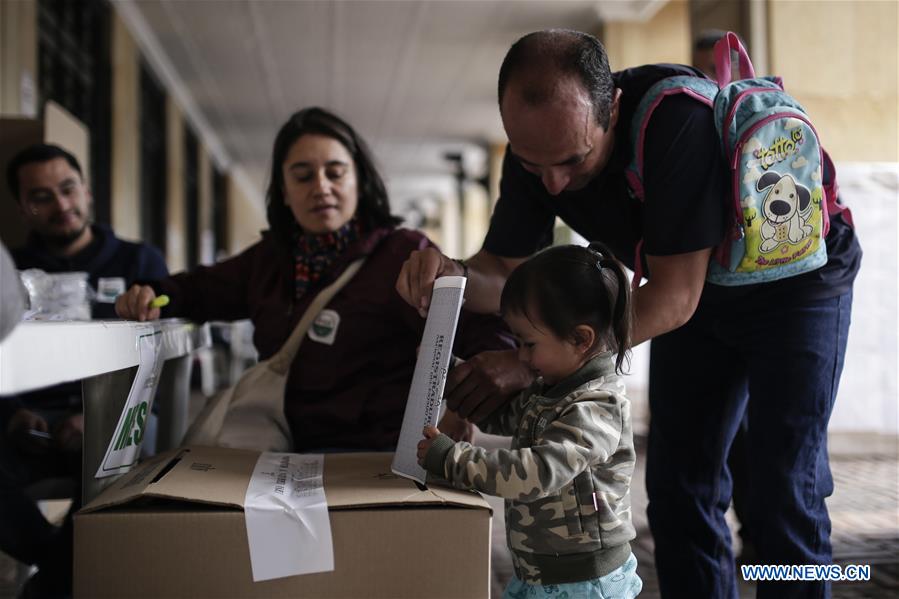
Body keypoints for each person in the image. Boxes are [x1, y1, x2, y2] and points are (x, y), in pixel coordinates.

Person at [398, 30, 861, 598]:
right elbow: (503, 270)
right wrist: (451, 273)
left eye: (573, 160)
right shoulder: (537, 153)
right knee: (679, 490)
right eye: (533, 164)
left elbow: (673, 298)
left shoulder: (677, 124)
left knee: (783, 486)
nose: (554, 183)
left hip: (795, 290)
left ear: (612, 108)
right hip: (695, 294)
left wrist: (530, 364)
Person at [116, 107, 513, 452]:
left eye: (335, 173)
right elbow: (197, 291)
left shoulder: (402, 254)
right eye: (303, 176)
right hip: (279, 443)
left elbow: (477, 327)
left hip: (371, 455)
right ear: (284, 192)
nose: (321, 187)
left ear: (359, 181)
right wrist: (154, 294)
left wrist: (470, 399)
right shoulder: (269, 260)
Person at [417, 243, 641, 599]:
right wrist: (451, 375)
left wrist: (452, 459)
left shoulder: (598, 406)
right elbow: (506, 417)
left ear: (581, 339)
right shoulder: (553, 388)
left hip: (581, 580)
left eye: (528, 344)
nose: (520, 357)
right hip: (540, 571)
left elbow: (536, 472)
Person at [1, 143, 169, 598]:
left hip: (118, 411)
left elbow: (159, 356)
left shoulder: (140, 263)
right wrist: (14, 413)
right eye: (41, 197)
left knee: (131, 454)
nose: (61, 205)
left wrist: (96, 415)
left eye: (68, 188)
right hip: (29, 421)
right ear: (22, 207)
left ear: (88, 191)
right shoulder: (8, 273)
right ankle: (60, 568)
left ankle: (53, 582)